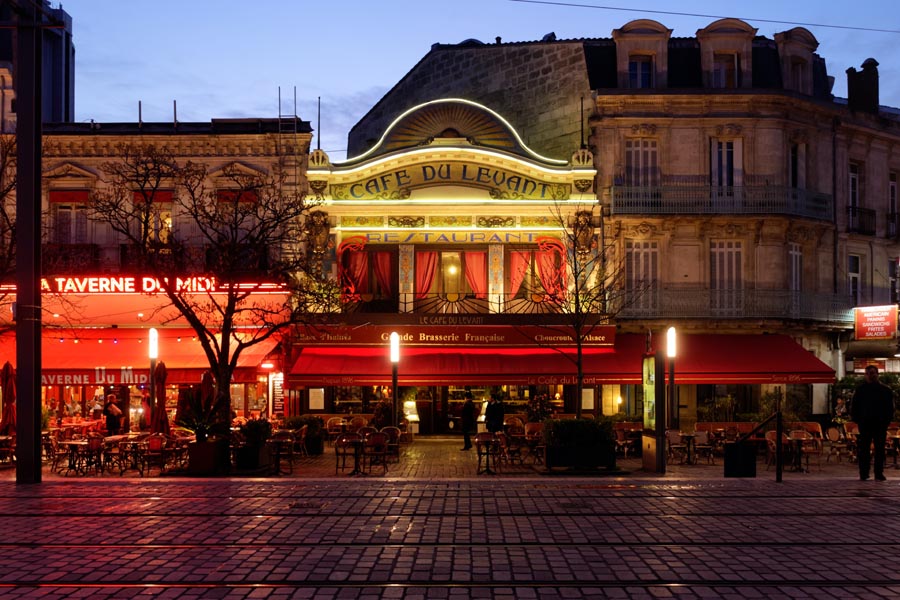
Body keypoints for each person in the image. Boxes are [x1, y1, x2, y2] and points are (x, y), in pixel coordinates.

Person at [851, 365, 895, 481]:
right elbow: (854, 407)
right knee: (865, 449)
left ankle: (877, 473)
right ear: (866, 375)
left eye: (873, 373)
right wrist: (858, 420)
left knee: (879, 450)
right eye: (869, 373)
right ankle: (865, 473)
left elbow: (890, 408)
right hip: (866, 424)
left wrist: (886, 421)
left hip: (878, 424)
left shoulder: (885, 390)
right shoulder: (861, 390)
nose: (872, 375)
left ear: (877, 374)